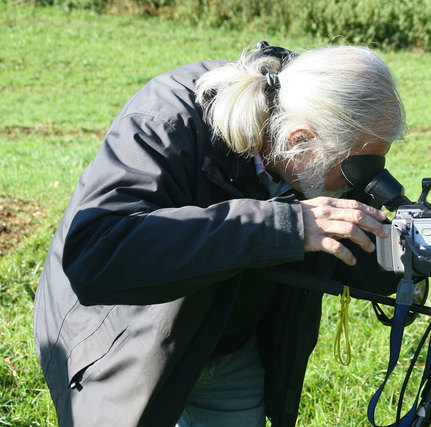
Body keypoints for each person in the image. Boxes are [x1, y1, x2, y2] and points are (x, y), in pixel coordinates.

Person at [33, 41, 406, 427]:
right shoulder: (168, 118)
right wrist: (286, 226)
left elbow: (345, 235)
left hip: (231, 344)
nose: (361, 183)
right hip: (125, 340)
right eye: (358, 170)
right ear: (298, 142)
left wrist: (412, 251)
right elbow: (97, 253)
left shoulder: (319, 113)